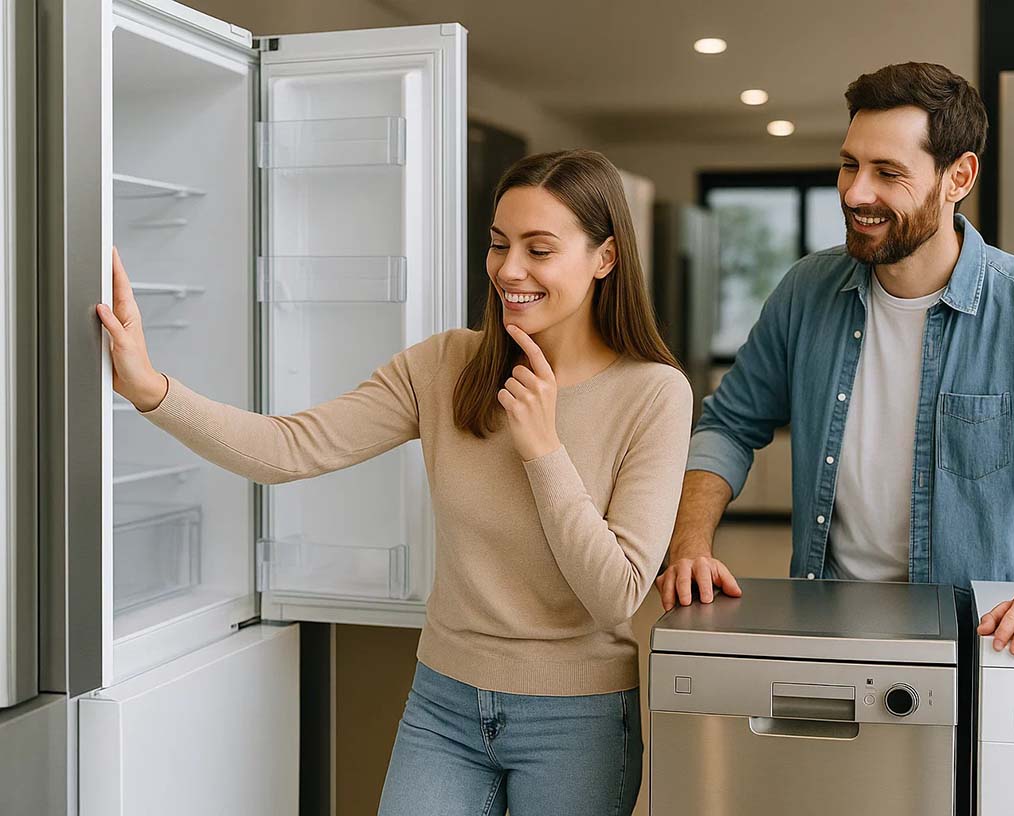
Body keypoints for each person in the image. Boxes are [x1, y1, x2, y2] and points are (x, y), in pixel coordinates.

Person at [98, 149, 693, 816]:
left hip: (577, 720)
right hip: (444, 704)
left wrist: (543, 449)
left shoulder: (653, 394)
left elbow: (616, 596)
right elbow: (289, 449)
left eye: (540, 248)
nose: (509, 269)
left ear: (605, 258)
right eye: (499, 244)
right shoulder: (445, 364)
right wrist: (149, 389)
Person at [656, 62, 1014, 658]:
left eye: (887, 172)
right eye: (849, 165)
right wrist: (689, 542)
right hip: (821, 626)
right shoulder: (806, 291)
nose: (855, 192)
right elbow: (728, 427)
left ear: (958, 176)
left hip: (973, 643)